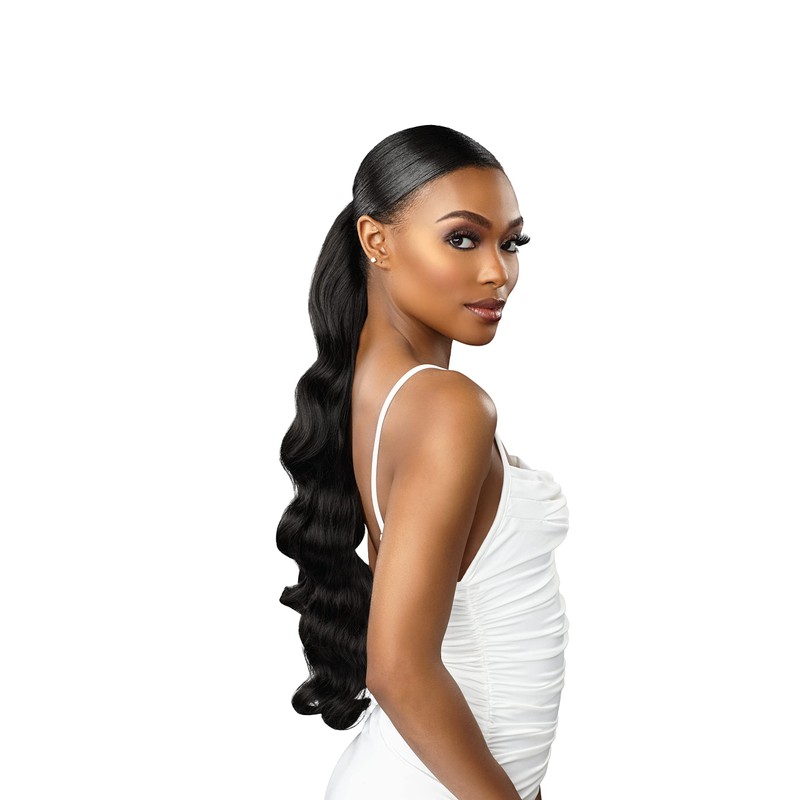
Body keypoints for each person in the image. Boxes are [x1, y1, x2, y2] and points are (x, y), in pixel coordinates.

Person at [277, 124, 570, 800]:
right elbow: (399, 667)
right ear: (377, 242)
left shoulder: (382, 391)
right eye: (463, 239)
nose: (498, 271)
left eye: (512, 242)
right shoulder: (446, 406)